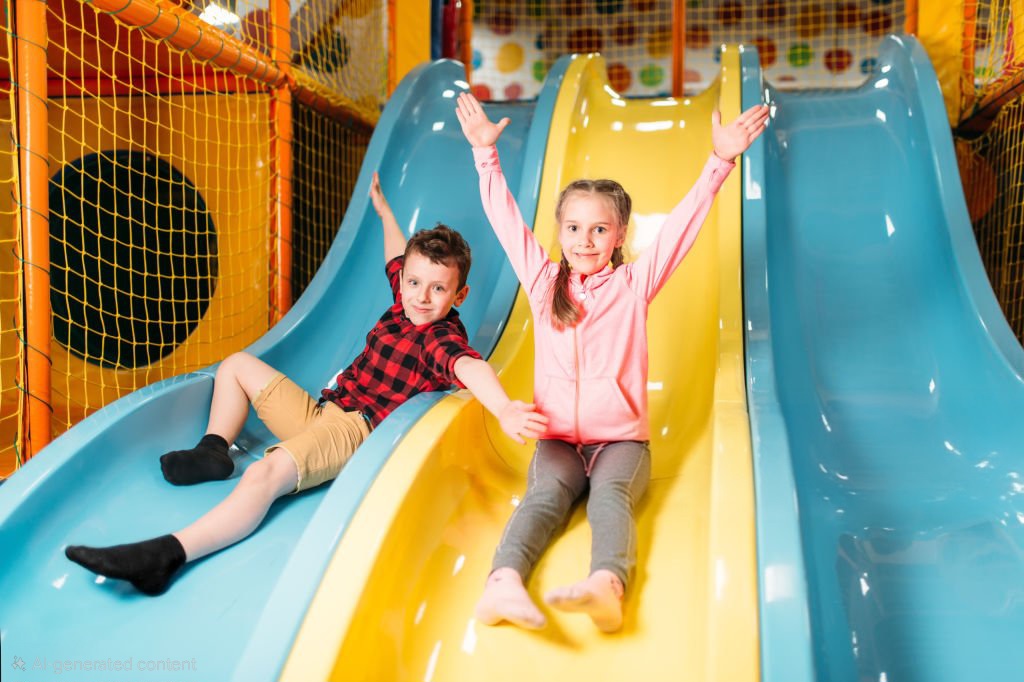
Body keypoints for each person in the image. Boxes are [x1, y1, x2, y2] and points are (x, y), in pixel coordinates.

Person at [65, 172, 548, 595]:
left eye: (438, 288)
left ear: (459, 294)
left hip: (356, 431)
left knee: (264, 475)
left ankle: (168, 555)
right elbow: (397, 255)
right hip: (323, 411)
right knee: (235, 365)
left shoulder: (439, 336)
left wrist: (504, 407)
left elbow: (469, 367)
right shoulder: (408, 293)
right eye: (414, 283)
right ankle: (214, 450)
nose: (422, 296)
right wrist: (383, 211)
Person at [456, 92, 768, 632]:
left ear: (620, 235)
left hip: (621, 440)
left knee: (610, 498)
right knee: (542, 500)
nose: (585, 239)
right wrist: (486, 155)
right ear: (558, 231)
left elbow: (683, 227)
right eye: (573, 228)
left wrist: (720, 163)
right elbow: (505, 220)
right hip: (556, 438)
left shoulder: (633, 284)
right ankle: (502, 583)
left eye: (599, 229)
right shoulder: (541, 280)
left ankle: (606, 585)